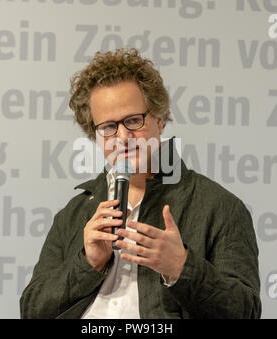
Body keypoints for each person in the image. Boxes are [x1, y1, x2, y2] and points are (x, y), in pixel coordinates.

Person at [20, 48, 261, 319]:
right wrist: (88, 263)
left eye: (134, 120)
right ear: (95, 135)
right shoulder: (74, 213)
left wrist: (182, 267)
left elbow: (246, 312)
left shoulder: (221, 207)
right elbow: (32, 310)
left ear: (159, 120)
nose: (123, 136)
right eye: (108, 126)